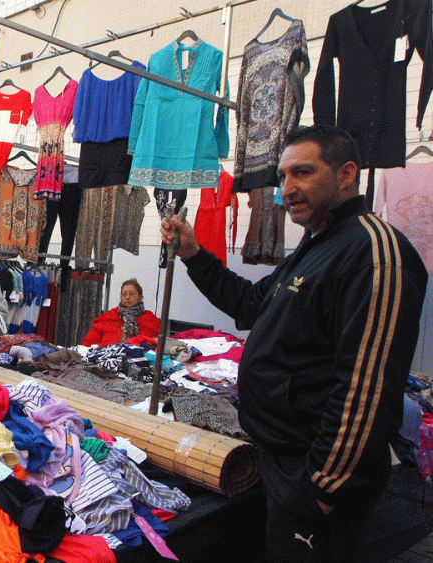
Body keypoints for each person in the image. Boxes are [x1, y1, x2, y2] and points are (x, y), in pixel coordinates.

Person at [161, 124, 427, 562]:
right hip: (279, 462)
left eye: (303, 172)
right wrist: (193, 254)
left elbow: (366, 388)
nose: (287, 188)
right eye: (283, 176)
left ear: (346, 174)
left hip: (314, 477)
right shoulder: (316, 246)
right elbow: (249, 305)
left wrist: (323, 490)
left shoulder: (372, 252)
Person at [80, 278, 160, 347]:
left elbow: (158, 346)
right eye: (124, 294)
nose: (127, 297)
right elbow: (86, 346)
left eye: (132, 294)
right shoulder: (108, 318)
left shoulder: (150, 320)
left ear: (140, 297)